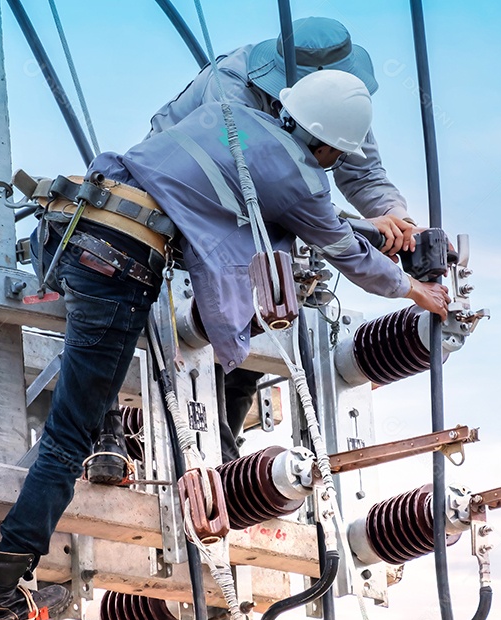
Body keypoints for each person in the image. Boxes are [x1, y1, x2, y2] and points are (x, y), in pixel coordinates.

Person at [0, 70, 450, 620]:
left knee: (86, 395)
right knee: (67, 435)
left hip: (69, 225)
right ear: (330, 148)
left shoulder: (231, 115)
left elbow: (250, 195)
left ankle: (108, 439)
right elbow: (339, 247)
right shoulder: (303, 179)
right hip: (121, 261)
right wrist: (414, 289)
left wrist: (369, 226)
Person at [146, 16, 421, 462]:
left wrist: (395, 217)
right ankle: (207, 453)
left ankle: (227, 457)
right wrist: (345, 230)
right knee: (217, 311)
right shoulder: (231, 87)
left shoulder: (339, 101)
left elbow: (362, 171)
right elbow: (258, 179)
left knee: (260, 322)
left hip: (259, 219)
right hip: (185, 207)